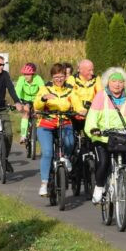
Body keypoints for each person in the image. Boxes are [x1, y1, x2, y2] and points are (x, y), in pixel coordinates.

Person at [86, 67, 126, 204]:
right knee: (103, 162)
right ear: (108, 82)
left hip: (123, 138)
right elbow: (92, 117)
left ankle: (124, 187)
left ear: (124, 83)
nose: (117, 84)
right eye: (113, 81)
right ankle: (99, 187)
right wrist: (93, 129)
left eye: (120, 82)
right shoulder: (100, 96)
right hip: (103, 137)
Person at [34, 63, 80, 196]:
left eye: (61, 76)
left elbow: (76, 103)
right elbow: (37, 104)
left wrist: (81, 110)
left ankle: (65, 157)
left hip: (64, 122)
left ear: (66, 76)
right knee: (47, 152)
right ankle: (44, 183)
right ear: (52, 77)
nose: (59, 79)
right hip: (46, 124)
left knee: (70, 143)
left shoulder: (71, 89)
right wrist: (43, 99)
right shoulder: (45, 88)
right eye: (56, 77)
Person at [15, 62, 45, 142]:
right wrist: (18, 102)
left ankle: (40, 134)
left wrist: (42, 100)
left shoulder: (38, 78)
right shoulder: (21, 79)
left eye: (28, 74)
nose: (26, 76)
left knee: (38, 114)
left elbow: (43, 90)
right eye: (24, 74)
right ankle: (23, 135)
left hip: (36, 99)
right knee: (26, 113)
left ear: (33, 74)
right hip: (25, 100)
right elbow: (17, 91)